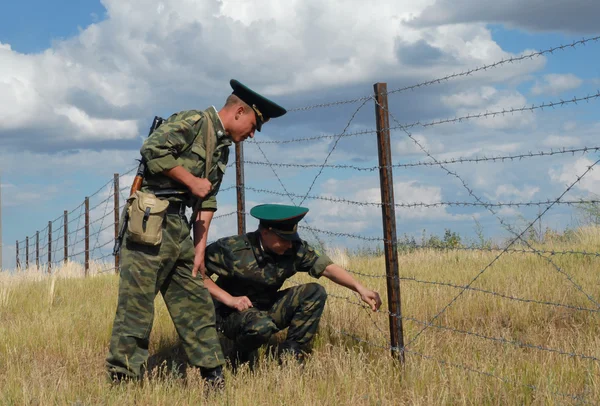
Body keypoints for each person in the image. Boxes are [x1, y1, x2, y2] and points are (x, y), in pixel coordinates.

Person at [105, 80, 287, 387]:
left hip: (178, 229)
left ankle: (213, 379)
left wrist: (200, 248)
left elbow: (208, 199)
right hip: (150, 223)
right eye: (254, 125)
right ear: (239, 111)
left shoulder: (222, 148)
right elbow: (152, 149)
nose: (252, 134)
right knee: (136, 308)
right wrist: (190, 180)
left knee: (196, 304)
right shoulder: (194, 120)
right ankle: (123, 383)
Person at [203, 203, 383, 366]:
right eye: (283, 238)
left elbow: (326, 267)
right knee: (260, 326)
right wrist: (228, 299)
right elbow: (193, 272)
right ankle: (237, 358)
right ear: (265, 233)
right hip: (231, 314)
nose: (289, 244)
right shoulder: (232, 249)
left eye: (291, 238)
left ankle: (291, 355)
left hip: (266, 306)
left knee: (314, 292)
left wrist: (360, 288)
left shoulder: (294, 248)